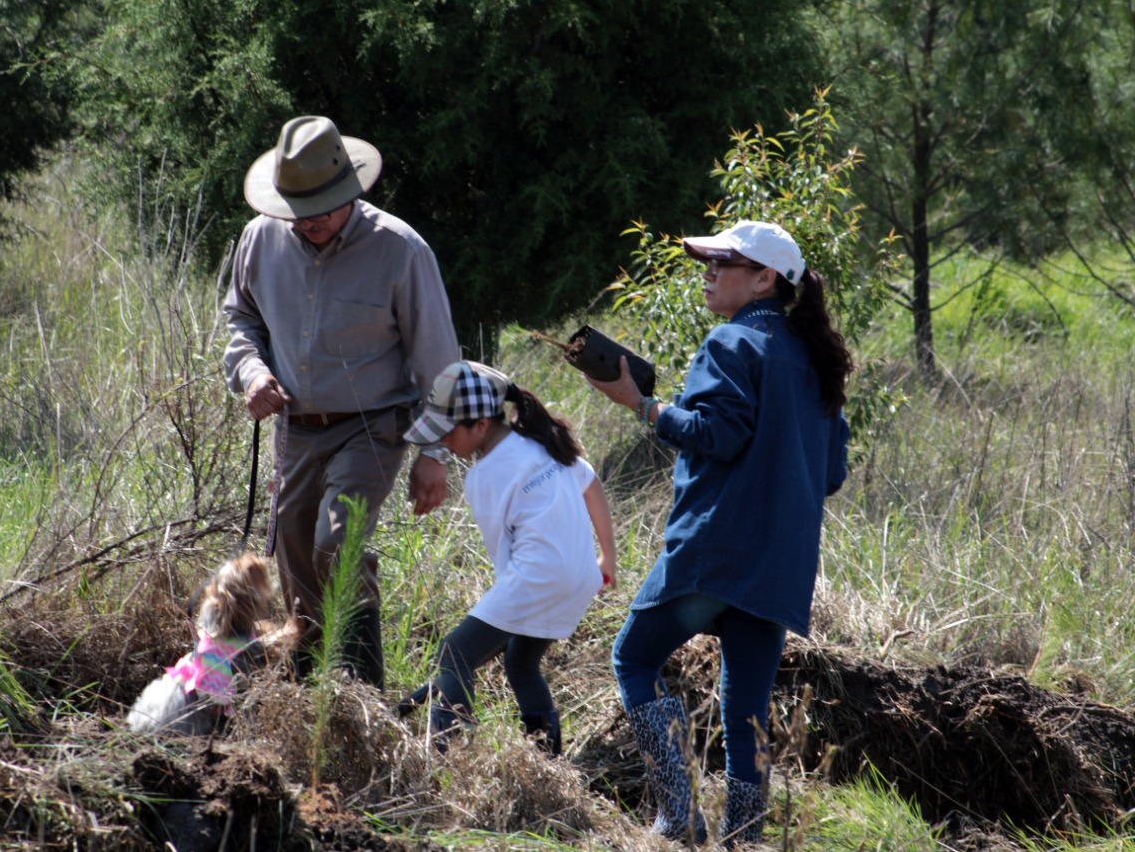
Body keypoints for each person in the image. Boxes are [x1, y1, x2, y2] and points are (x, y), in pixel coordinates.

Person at [584, 221, 851, 847]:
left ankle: (678, 816)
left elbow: (718, 435)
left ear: (765, 279)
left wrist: (642, 405)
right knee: (746, 709)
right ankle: (745, 837)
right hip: (779, 566)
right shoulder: (817, 362)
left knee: (634, 656)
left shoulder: (731, 341)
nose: (706, 272)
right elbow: (831, 474)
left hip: (716, 550)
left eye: (721, 263)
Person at [222, 115, 461, 689]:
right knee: (297, 559)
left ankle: (364, 697)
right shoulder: (260, 239)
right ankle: (310, 696)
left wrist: (435, 455)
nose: (312, 220)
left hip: (374, 425)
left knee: (338, 542)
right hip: (295, 427)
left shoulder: (400, 250)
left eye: (324, 206)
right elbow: (241, 319)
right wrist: (251, 373)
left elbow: (442, 365)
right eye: (299, 210)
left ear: (350, 189)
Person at [397, 361, 617, 755]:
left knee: (454, 652)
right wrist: (607, 558)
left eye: (448, 433)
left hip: (536, 577)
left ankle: (446, 759)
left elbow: (506, 561)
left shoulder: (483, 477)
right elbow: (592, 485)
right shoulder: (542, 443)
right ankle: (548, 760)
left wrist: (496, 626)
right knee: (520, 663)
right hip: (581, 577)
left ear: (480, 425)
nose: (443, 443)